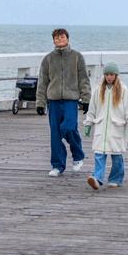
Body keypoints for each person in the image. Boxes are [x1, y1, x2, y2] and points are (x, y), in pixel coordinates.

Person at [36, 27, 91, 176]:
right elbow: (42, 82)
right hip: (53, 101)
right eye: (57, 38)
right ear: (53, 40)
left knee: (69, 127)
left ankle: (78, 155)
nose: (59, 40)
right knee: (55, 134)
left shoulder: (77, 57)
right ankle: (57, 165)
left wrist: (86, 99)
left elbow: (84, 79)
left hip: (70, 100)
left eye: (62, 37)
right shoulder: (48, 59)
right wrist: (40, 103)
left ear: (67, 38)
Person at [84, 61, 128, 190]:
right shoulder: (98, 90)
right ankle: (97, 179)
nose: (109, 77)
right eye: (107, 74)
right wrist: (88, 123)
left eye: (112, 74)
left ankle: (116, 178)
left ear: (116, 75)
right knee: (99, 154)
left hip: (116, 128)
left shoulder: (123, 90)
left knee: (117, 156)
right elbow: (92, 109)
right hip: (101, 127)